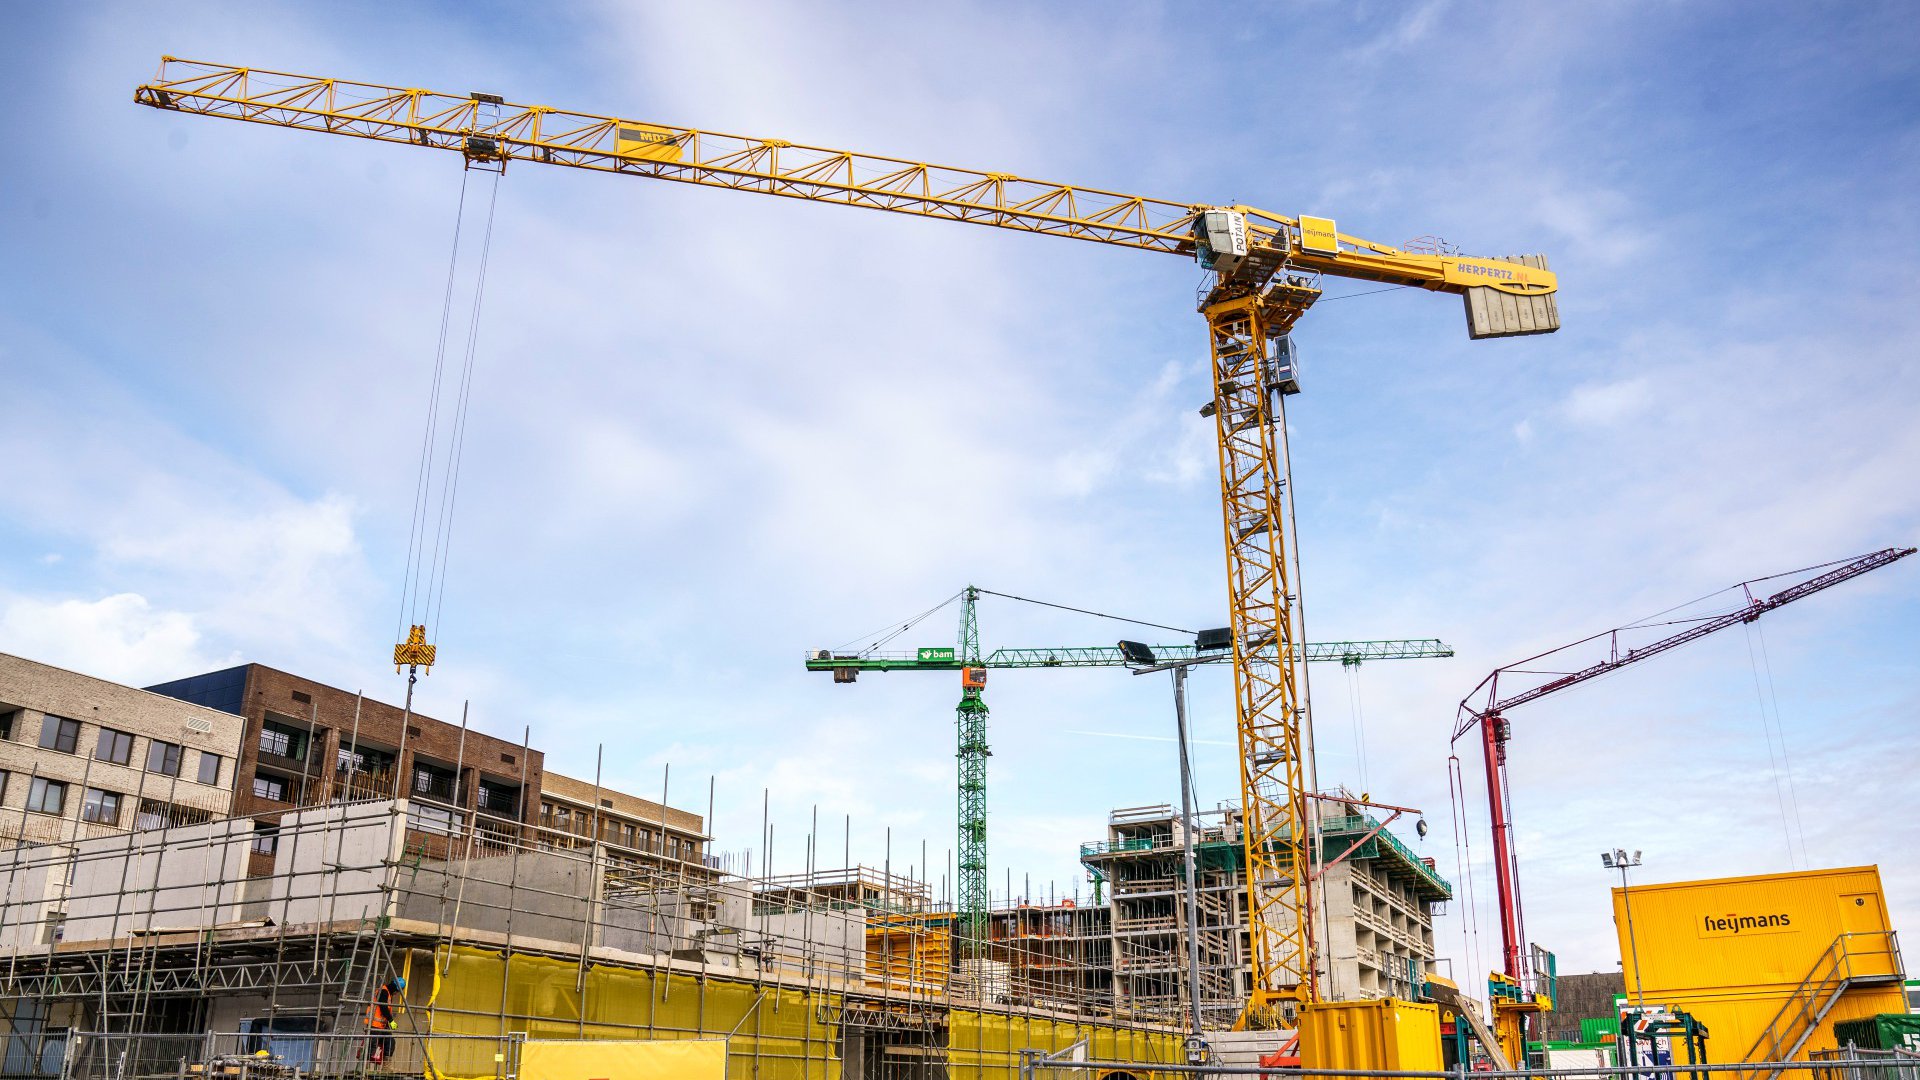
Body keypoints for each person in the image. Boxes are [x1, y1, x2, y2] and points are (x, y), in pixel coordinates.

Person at [367, 976, 405, 1067]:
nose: (397, 993)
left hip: (382, 1026)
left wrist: (389, 1024)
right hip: (374, 1025)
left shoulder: (388, 993)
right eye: (398, 990)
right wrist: (391, 1021)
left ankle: (386, 1068)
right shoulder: (383, 991)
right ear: (396, 988)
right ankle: (364, 1069)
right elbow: (383, 1007)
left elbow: (385, 1010)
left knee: (390, 1042)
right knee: (372, 1046)